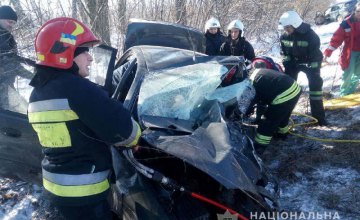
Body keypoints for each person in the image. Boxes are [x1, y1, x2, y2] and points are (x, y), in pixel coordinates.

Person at [27, 17, 141, 220]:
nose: (90, 58)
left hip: (55, 189)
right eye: (84, 51)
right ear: (65, 53)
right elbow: (126, 132)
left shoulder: (37, 93)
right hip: (84, 195)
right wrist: (137, 138)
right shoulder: (76, 88)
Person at [237, 59, 302, 155]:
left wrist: (240, 113)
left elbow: (249, 102)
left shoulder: (248, 84)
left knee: (269, 121)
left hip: (284, 94)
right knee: (282, 115)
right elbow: (260, 99)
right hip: (294, 88)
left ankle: (259, 147)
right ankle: (282, 134)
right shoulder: (255, 73)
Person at [279, 10, 326, 126]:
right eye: (284, 27)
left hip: (310, 63)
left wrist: (313, 66)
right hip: (293, 64)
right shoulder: (284, 36)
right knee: (287, 88)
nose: (286, 30)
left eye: (288, 27)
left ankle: (319, 118)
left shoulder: (311, 36)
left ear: (295, 24)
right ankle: (283, 118)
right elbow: (284, 52)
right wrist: (287, 60)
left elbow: (316, 55)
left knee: (315, 87)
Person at [0, 5, 33, 112]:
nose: (12, 26)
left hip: (6, 86)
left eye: (13, 23)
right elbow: (10, 64)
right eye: (9, 22)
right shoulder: (2, 37)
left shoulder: (6, 36)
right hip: (3, 88)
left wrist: (32, 63)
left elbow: (12, 57)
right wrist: (35, 78)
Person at [324, 2, 360, 96]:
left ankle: (351, 91)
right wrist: (328, 52)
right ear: (354, 11)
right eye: (358, 11)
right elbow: (336, 39)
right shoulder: (346, 24)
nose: (359, 14)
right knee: (348, 73)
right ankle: (344, 93)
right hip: (350, 53)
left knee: (357, 73)